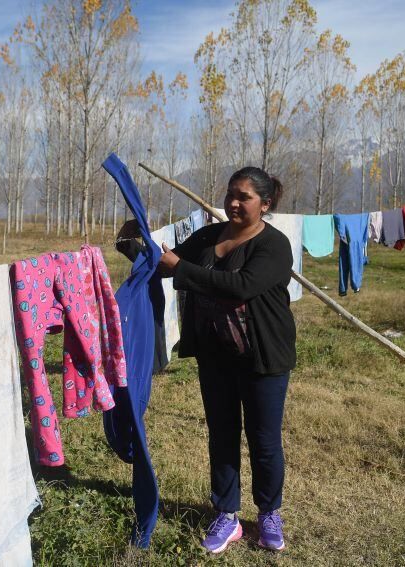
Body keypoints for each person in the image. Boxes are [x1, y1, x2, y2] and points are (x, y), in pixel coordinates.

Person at [116, 166, 295, 553]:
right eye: (231, 193)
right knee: (222, 436)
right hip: (216, 356)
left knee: (264, 441)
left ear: (264, 204)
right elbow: (165, 263)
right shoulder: (210, 236)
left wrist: (180, 268)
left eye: (243, 197)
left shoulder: (274, 245)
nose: (233, 202)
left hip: (263, 359)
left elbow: (241, 286)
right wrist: (134, 244)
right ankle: (227, 515)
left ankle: (268, 513)